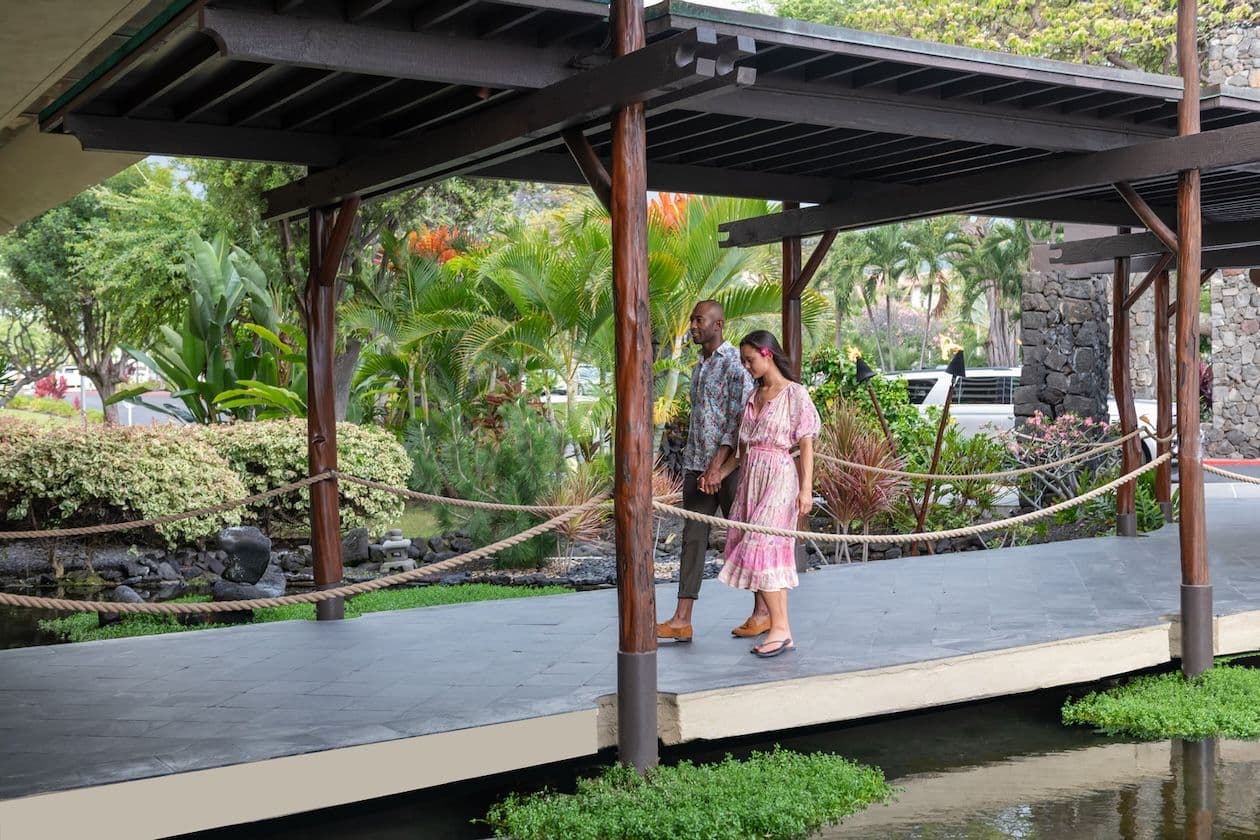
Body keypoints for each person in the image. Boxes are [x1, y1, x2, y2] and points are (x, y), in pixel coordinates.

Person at [656, 300, 765, 644]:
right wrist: (701, 467)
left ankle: (763, 612)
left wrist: (718, 467)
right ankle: (681, 619)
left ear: (718, 324)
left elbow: (738, 421)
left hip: (728, 469)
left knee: (746, 536)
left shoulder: (735, 363)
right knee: (692, 540)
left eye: (698, 320)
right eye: (692, 320)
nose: (692, 326)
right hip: (696, 466)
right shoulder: (700, 365)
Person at [717, 330, 821, 658]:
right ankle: (780, 629)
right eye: (743, 362)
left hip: (779, 477)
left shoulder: (795, 395)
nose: (747, 367)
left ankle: (780, 629)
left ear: (767, 354)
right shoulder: (753, 397)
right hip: (752, 479)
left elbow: (806, 445)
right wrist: (718, 475)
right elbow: (742, 451)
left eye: (750, 360)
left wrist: (806, 490)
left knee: (763, 547)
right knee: (764, 553)